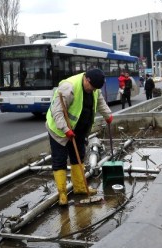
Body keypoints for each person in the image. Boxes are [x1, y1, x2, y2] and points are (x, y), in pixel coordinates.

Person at [45, 68, 113, 206]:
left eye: (96, 89)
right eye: (92, 87)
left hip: (78, 130)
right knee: (60, 160)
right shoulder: (68, 88)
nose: (93, 90)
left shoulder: (94, 89)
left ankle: (80, 188)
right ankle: (62, 194)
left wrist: (108, 115)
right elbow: (56, 112)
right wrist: (65, 130)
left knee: (78, 157)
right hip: (59, 131)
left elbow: (100, 102)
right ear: (87, 80)